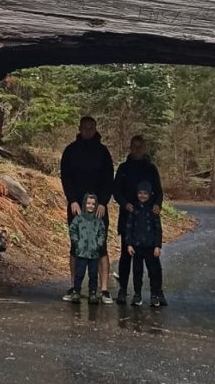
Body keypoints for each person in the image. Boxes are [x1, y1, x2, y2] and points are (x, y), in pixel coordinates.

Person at [60, 115, 114, 302]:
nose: (88, 130)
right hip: (76, 206)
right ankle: (75, 287)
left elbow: (109, 179)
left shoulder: (103, 152)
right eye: (85, 127)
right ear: (80, 128)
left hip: (98, 206)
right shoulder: (70, 151)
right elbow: (65, 177)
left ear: (96, 129)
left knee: (101, 245)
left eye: (92, 128)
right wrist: (72, 200)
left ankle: (104, 289)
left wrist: (103, 202)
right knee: (76, 245)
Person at [113, 134, 163, 305]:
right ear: (130, 147)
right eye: (134, 146)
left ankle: (158, 292)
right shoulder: (123, 168)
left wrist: (157, 204)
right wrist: (125, 204)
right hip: (129, 216)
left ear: (144, 148)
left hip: (149, 219)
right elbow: (116, 191)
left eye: (140, 146)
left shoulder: (151, 169)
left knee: (153, 260)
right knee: (126, 256)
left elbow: (159, 190)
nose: (137, 149)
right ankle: (123, 290)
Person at [123, 182, 167, 308]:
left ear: (149, 194)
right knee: (137, 271)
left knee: (153, 272)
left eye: (145, 193)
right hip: (136, 247)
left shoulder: (153, 209)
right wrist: (129, 244)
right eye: (140, 193)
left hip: (151, 247)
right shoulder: (133, 209)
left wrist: (158, 245)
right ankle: (137, 294)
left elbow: (158, 229)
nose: (142, 196)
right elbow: (129, 227)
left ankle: (155, 295)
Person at [64, 192, 107, 303]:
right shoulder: (78, 219)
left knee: (93, 275)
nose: (90, 206)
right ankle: (76, 292)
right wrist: (76, 242)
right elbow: (72, 230)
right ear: (84, 204)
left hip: (94, 253)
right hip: (81, 252)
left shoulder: (98, 221)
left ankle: (92, 293)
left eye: (93, 204)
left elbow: (102, 232)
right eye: (88, 203)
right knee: (79, 273)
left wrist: (99, 244)